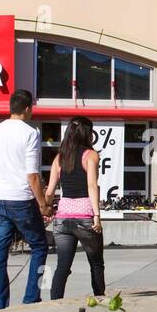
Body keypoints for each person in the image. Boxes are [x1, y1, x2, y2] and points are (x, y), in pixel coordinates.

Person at [0, 89, 50, 309]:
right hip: (21, 197)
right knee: (40, 246)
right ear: (27, 108)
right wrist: (43, 204)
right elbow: (32, 174)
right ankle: (32, 297)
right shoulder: (30, 133)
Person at [44, 115, 105, 300]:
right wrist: (96, 215)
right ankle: (99, 297)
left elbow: (51, 189)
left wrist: (45, 208)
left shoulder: (59, 158)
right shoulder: (91, 155)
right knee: (95, 262)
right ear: (88, 133)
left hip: (63, 218)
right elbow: (92, 185)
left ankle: (55, 302)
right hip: (85, 216)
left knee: (62, 265)